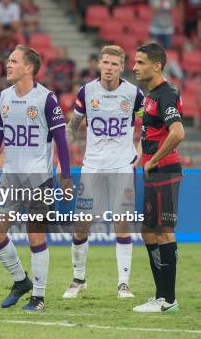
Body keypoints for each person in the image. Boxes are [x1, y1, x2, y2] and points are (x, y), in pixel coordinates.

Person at [0, 45, 72, 311]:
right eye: (7, 60)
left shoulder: (46, 99)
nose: (7, 65)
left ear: (29, 68)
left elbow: (61, 140)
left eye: (13, 61)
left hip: (39, 179)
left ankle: (39, 298)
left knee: (35, 238)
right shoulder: (4, 97)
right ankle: (21, 281)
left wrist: (65, 175)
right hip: (9, 178)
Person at [62, 45, 144, 300]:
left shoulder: (134, 94)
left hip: (122, 166)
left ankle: (123, 284)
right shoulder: (88, 91)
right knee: (81, 224)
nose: (108, 68)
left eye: (114, 64)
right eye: (105, 63)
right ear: (99, 64)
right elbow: (72, 126)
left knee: (122, 223)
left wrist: (140, 151)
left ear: (122, 67)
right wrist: (63, 158)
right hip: (93, 166)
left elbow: (151, 125)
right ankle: (78, 280)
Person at [132, 43, 184, 314]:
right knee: (148, 231)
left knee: (163, 232)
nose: (135, 67)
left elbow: (177, 132)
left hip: (165, 170)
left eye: (140, 62)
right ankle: (160, 295)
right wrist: (142, 154)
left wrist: (152, 159)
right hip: (154, 170)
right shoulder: (151, 94)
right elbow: (153, 131)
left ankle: (169, 299)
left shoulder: (166, 93)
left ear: (157, 65)